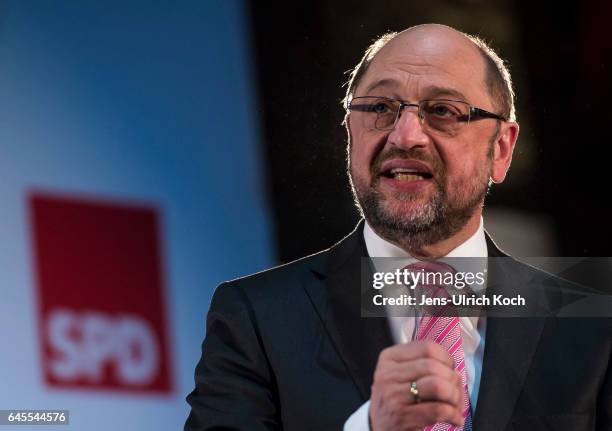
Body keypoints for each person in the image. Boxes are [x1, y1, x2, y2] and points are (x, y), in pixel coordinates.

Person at [185, 24, 612, 431]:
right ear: (350, 130)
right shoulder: (257, 316)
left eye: (443, 111)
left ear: (501, 149)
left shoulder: (589, 325)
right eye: (380, 109)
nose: (405, 136)